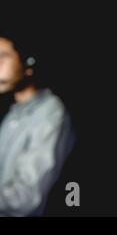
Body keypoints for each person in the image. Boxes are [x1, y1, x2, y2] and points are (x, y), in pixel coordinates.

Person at [0, 29, 75, 216]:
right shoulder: (13, 111)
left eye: (2, 57)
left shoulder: (50, 111)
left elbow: (26, 197)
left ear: (28, 63)